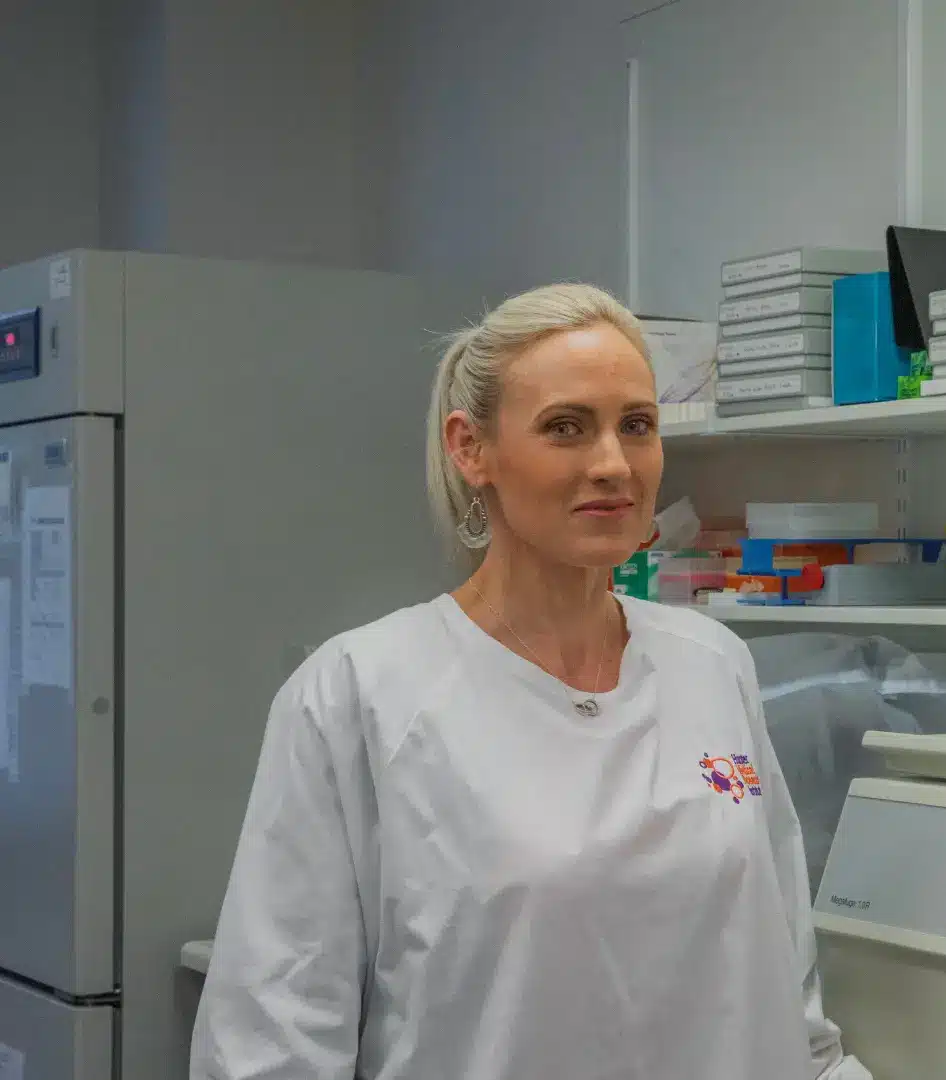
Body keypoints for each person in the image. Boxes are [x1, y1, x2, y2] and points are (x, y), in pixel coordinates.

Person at [191, 283, 869, 1080]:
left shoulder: (713, 662)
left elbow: (783, 979)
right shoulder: (358, 693)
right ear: (471, 448)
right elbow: (274, 1039)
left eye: (637, 426)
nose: (613, 464)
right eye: (566, 428)